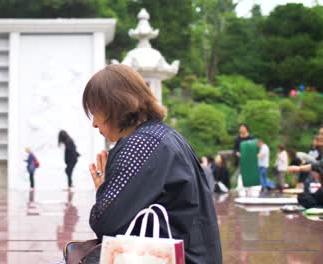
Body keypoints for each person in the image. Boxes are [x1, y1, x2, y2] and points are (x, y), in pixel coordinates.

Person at [82, 64, 222, 263]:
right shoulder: (165, 135)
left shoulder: (140, 145)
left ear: (113, 105)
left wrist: (103, 191)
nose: (94, 123)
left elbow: (105, 222)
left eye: (95, 111)